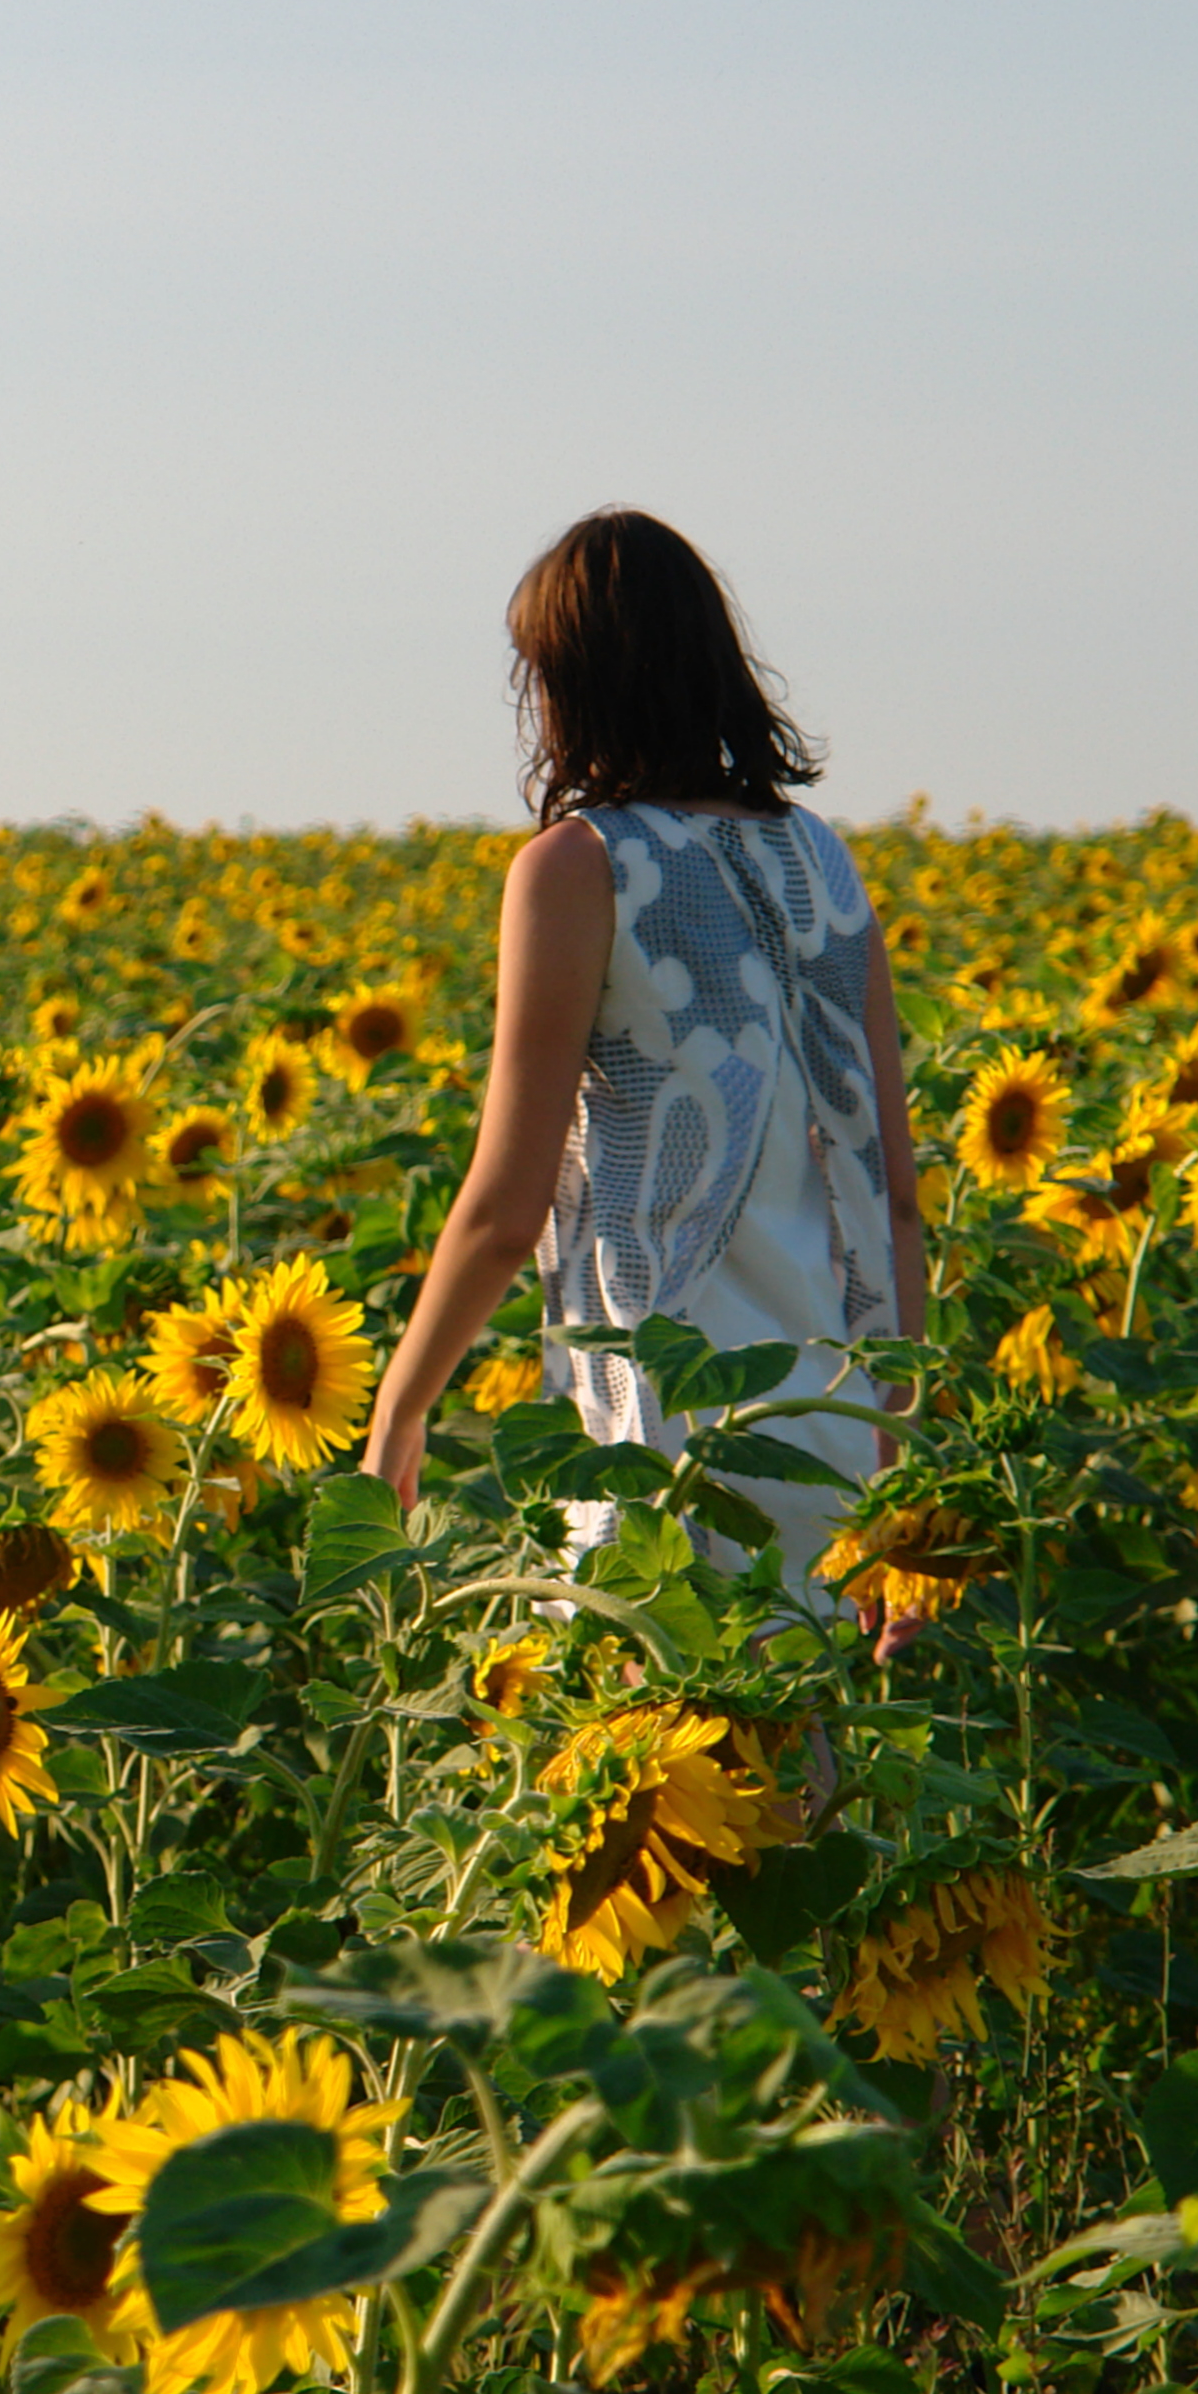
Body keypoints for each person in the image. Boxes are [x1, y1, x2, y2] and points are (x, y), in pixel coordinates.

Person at [358, 507, 926, 1617]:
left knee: (653, 1767)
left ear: (573, 684)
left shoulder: (581, 868)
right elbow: (895, 1200)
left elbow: (504, 1208)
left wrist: (401, 1405)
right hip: (830, 1432)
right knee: (811, 1781)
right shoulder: (819, 858)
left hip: (669, 1444)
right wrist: (900, 1468)